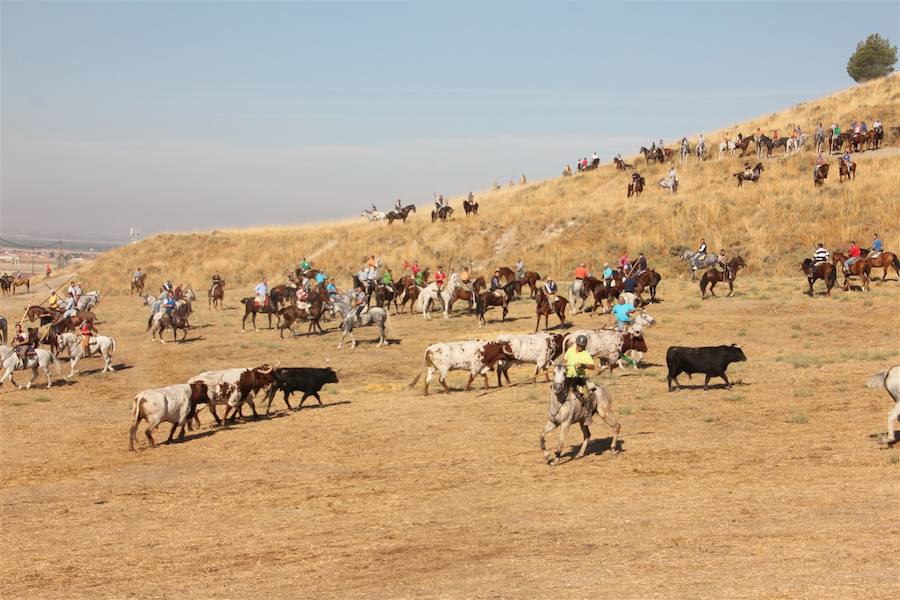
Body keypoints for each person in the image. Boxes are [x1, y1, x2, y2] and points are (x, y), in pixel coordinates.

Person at [563, 334, 595, 400]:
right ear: (576, 343)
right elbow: (564, 360)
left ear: (584, 346)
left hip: (578, 377)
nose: (579, 347)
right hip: (567, 376)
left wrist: (583, 365)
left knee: (580, 394)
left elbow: (592, 367)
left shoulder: (586, 354)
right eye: (578, 345)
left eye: (581, 346)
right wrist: (564, 365)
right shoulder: (570, 350)